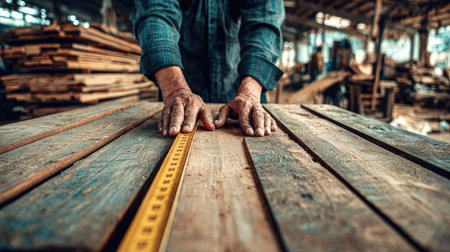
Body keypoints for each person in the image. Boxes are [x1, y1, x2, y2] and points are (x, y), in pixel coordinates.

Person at [133, 0, 285, 137]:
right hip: (178, 93)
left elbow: (265, 22)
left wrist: (250, 93)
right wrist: (175, 90)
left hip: (243, 88)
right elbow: (156, 14)